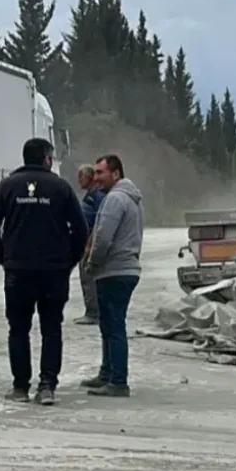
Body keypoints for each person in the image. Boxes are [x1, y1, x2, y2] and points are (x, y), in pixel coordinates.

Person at [0, 138, 89, 406]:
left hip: (18, 271)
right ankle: (47, 386)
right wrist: (69, 262)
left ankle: (20, 387)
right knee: (52, 328)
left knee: (18, 329)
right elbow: (81, 230)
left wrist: (5, 259)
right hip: (54, 272)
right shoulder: (61, 188)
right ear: (46, 159)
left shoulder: (7, 186)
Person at [80, 154, 144, 397]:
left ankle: (118, 381)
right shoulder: (132, 198)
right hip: (126, 268)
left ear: (115, 174)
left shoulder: (115, 200)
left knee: (114, 326)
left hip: (113, 270)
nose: (95, 178)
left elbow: (103, 237)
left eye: (100, 172)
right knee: (108, 324)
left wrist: (92, 262)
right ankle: (106, 373)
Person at [74, 164, 106, 325]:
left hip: (91, 244)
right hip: (87, 242)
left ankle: (93, 313)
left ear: (91, 177)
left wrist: (89, 245)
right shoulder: (91, 196)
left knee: (88, 277)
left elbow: (99, 222)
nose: (78, 179)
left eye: (81, 176)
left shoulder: (96, 197)